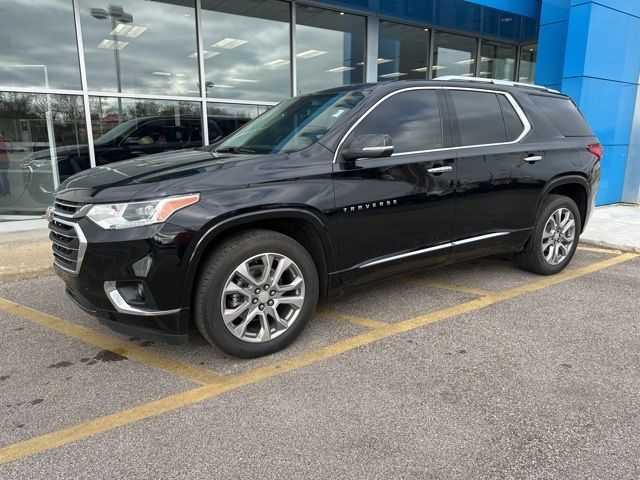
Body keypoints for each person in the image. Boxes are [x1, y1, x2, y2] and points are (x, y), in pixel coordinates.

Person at [0, 131, 10, 197]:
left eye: (1, 136)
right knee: (4, 177)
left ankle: (6, 191)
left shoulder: (4, 143)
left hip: (4, 162)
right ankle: (3, 192)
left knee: (4, 177)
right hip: (4, 162)